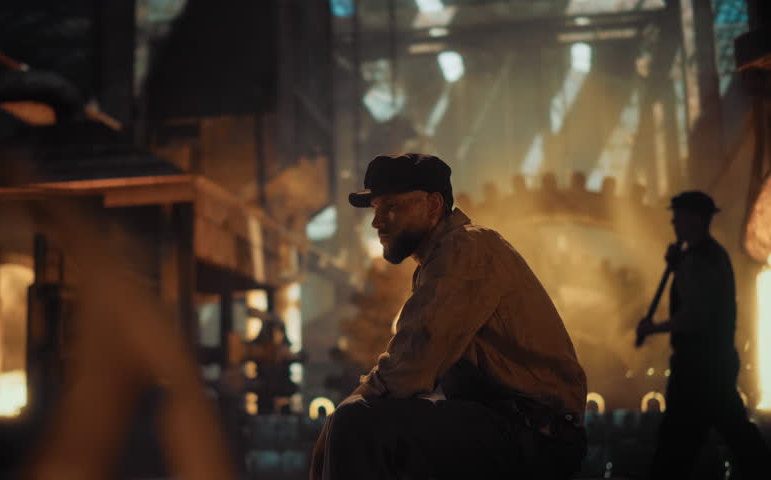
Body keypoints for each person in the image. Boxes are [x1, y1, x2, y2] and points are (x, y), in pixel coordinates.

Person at [310, 154, 588, 480]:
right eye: (375, 208)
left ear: (432, 204)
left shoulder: (465, 248)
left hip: (535, 436)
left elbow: (410, 368)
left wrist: (337, 423)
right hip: (517, 429)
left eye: (390, 207)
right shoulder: (443, 260)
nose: (377, 221)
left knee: (356, 422)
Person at [636, 191, 771, 479]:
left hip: (698, 367)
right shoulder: (708, 257)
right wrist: (679, 265)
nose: (673, 221)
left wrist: (653, 327)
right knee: (726, 432)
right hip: (712, 363)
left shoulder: (700, 261)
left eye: (679, 215)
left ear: (695, 219)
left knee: (679, 441)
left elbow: (695, 317)